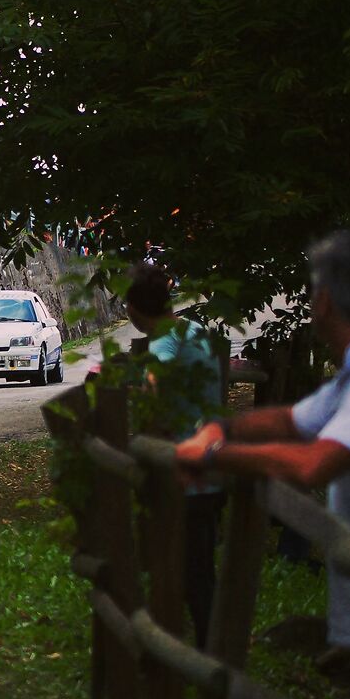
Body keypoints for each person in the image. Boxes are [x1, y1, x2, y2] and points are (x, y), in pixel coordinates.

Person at [171, 231, 350, 699]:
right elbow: (293, 419)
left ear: (324, 299)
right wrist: (225, 428)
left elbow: (314, 464)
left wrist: (213, 456)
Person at [121, 261, 227, 643]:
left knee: (188, 576)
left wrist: (151, 420)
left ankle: (206, 658)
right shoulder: (194, 329)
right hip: (212, 468)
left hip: (185, 474)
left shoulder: (164, 337)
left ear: (133, 308)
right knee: (200, 572)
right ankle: (206, 648)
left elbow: (155, 382)